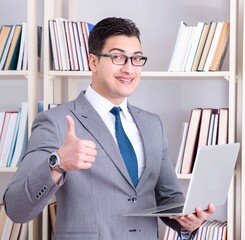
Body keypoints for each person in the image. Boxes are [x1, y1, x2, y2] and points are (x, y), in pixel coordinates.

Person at [3, 17, 215, 240]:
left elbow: (168, 198)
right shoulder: (56, 122)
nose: (129, 68)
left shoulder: (153, 124)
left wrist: (189, 220)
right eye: (117, 57)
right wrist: (57, 163)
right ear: (93, 62)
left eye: (136, 58)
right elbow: (16, 208)